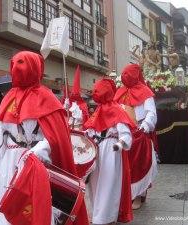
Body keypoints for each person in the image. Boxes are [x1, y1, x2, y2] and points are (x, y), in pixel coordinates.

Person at [0, 51, 89, 225]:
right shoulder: (9, 97)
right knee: (11, 206)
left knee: (35, 208)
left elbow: (54, 138)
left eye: (22, 63)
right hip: (10, 163)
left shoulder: (47, 98)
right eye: (15, 63)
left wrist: (36, 154)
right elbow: (2, 134)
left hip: (35, 164)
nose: (17, 67)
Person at [84, 78, 136, 225]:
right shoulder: (98, 110)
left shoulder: (117, 110)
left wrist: (120, 144)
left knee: (108, 183)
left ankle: (106, 218)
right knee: (94, 183)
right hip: (96, 150)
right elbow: (90, 130)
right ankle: (96, 214)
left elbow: (125, 134)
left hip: (111, 151)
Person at [114, 64, 158, 210]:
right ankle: (128, 194)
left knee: (139, 165)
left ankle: (139, 194)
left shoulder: (145, 92)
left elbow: (151, 112)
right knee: (126, 167)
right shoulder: (120, 92)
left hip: (139, 133)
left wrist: (145, 126)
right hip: (123, 131)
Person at [64, 65, 89, 130]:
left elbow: (81, 117)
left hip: (78, 128)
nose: (73, 95)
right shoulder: (70, 103)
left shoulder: (83, 105)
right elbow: (65, 114)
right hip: (69, 128)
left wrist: (73, 111)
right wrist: (66, 106)